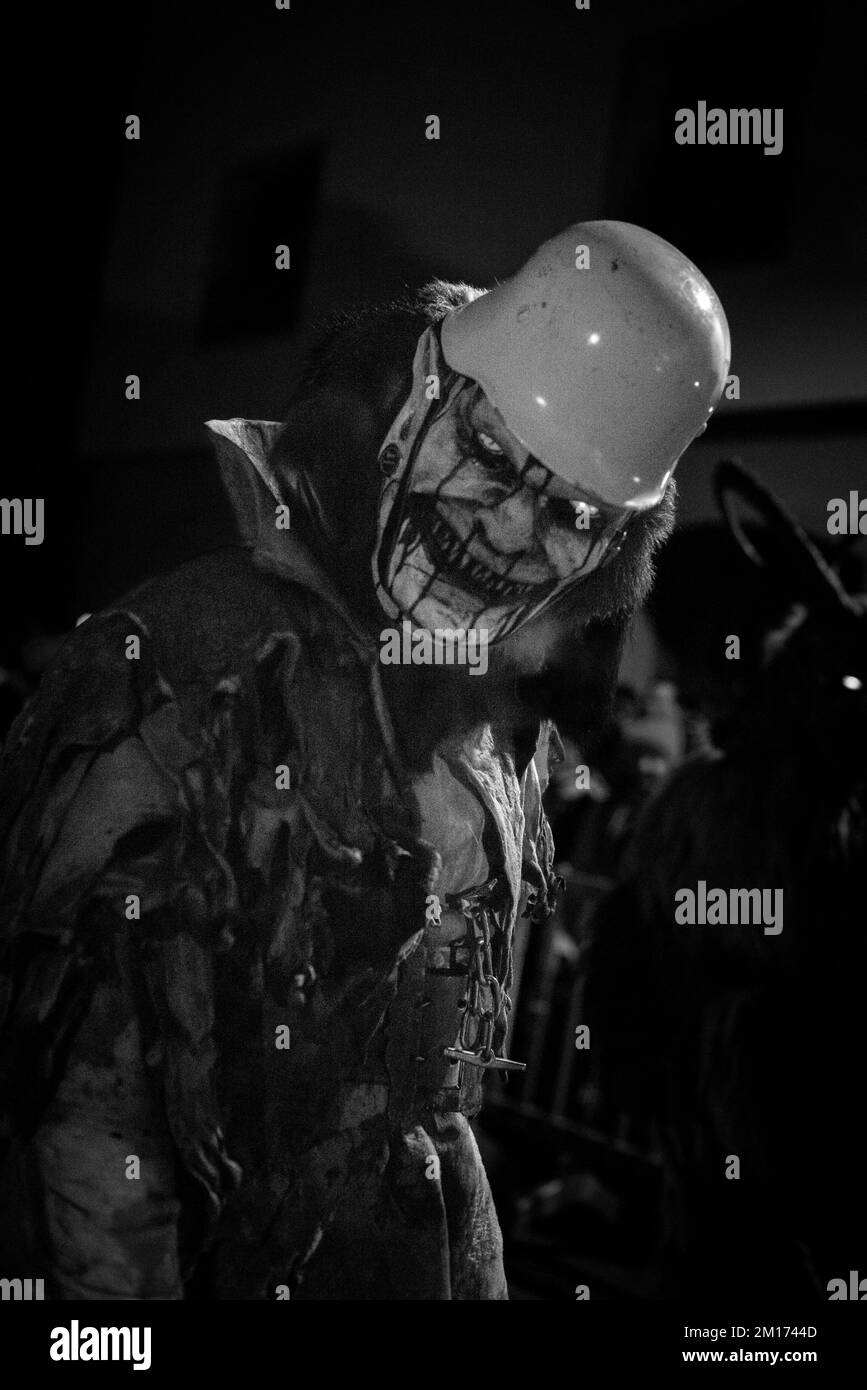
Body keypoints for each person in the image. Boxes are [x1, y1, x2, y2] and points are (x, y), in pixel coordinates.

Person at [0, 221, 729, 1299]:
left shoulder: (502, 736)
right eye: (486, 450)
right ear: (407, 396)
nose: (515, 529)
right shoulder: (182, 675)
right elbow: (86, 1124)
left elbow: (432, 1111)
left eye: (573, 510)